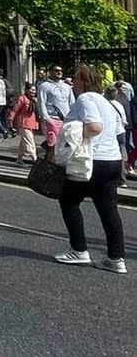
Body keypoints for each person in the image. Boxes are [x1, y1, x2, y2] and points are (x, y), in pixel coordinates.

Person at [55, 65, 127, 274]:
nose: (73, 81)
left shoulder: (86, 99)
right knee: (109, 210)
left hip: (91, 162)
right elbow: (118, 132)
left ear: (85, 81)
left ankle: (79, 251)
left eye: (76, 78)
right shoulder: (108, 103)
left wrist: (70, 136)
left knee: (68, 201)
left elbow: (95, 127)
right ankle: (116, 259)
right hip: (112, 161)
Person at [38, 64, 75, 162]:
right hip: (53, 119)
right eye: (56, 70)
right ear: (50, 72)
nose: (59, 72)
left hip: (66, 120)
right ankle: (50, 166)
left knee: (65, 145)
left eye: (61, 70)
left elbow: (72, 103)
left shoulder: (67, 87)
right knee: (53, 145)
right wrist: (47, 119)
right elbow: (41, 103)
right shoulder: (44, 86)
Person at [7, 83, 39, 165]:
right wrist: (10, 120)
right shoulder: (22, 98)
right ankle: (35, 160)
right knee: (29, 142)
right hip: (23, 123)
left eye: (34, 90)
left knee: (24, 141)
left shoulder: (34, 100)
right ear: (27, 90)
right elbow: (15, 109)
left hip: (32, 123)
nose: (33, 92)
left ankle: (19, 159)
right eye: (32, 90)